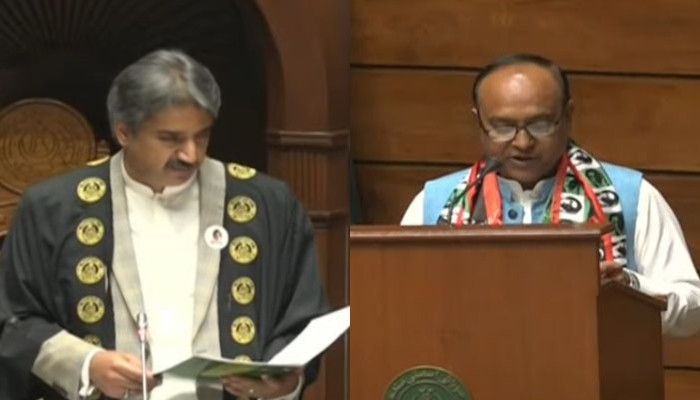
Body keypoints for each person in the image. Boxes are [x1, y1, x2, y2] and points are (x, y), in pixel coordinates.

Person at [0, 49, 329, 400]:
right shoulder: (53, 209)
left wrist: (285, 383)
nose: (192, 155)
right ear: (124, 132)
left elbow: (300, 319)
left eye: (201, 136)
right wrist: (87, 365)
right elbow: (14, 320)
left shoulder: (269, 205)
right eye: (170, 139)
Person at [401, 53, 700, 337]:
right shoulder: (436, 203)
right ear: (479, 123)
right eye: (503, 127)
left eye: (540, 124)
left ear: (567, 116)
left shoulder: (631, 196)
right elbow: (399, 305)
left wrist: (629, 287)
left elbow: (693, 311)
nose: (522, 142)